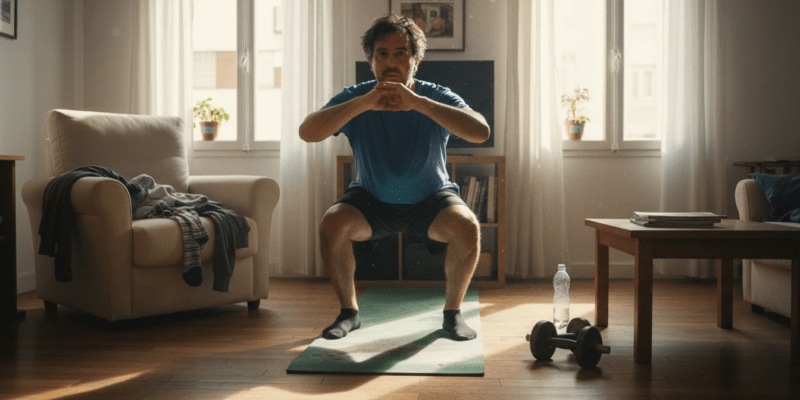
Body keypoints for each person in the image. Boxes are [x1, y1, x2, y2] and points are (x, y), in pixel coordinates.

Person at [299, 14, 490, 341]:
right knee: (332, 222)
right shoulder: (356, 96)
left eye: (401, 53)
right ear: (371, 60)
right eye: (382, 53)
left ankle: (453, 314)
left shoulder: (435, 95)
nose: (391, 61)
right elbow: (307, 132)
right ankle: (349, 313)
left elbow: (480, 131)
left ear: (415, 60)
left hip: (431, 199)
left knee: (468, 226)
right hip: (370, 201)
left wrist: (418, 104)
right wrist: (364, 103)